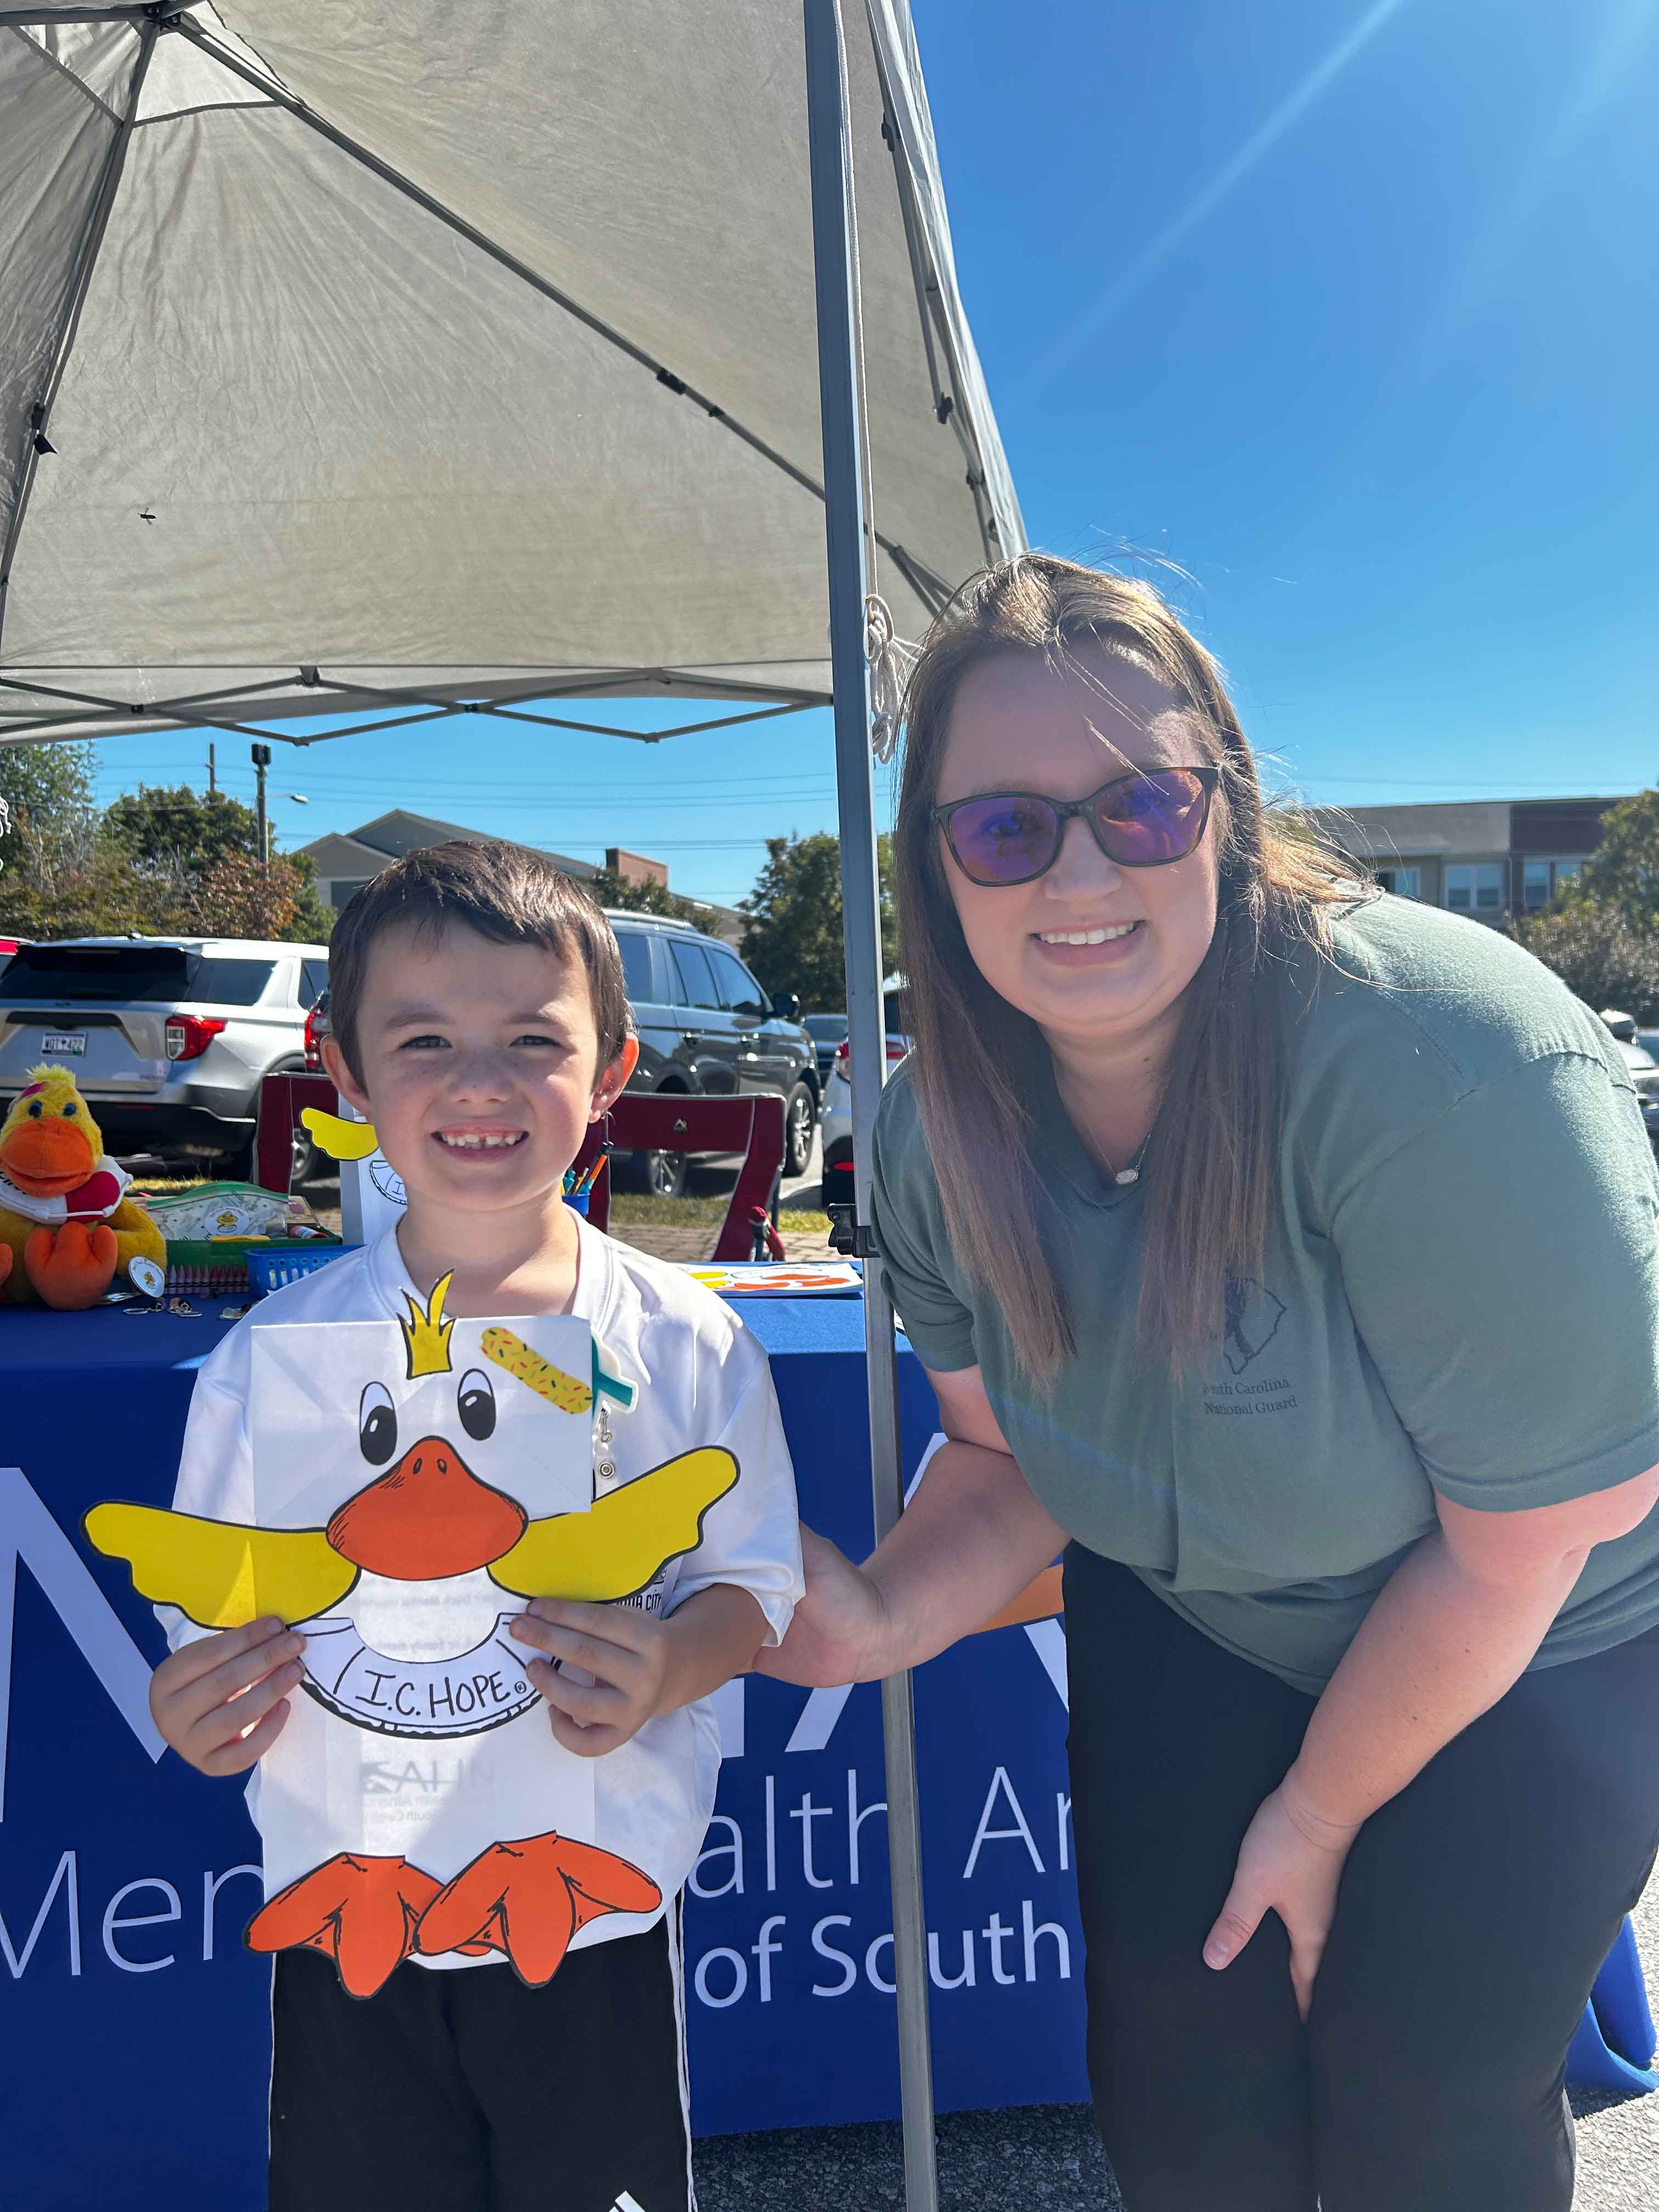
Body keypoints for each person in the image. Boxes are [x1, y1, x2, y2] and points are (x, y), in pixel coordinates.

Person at [761, 555, 1659, 2212]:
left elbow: (1524, 1547)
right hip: (1200, 1611)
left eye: (1143, 807)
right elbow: (1004, 1463)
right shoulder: (933, 1132)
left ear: (1226, 810)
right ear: (938, 869)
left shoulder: (1437, 1057)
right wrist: (885, 1615)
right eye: (1006, 827)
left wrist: (1314, 1821)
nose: (1080, 868)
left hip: (1542, 1639)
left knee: (1421, 2094)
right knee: (1181, 2095)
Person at [146, 840, 802, 2212]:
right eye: (427, 1038)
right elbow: (212, 1624)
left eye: (532, 1039)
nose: (482, 1084)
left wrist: (673, 1665)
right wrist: (200, 1700)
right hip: (350, 1920)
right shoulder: (275, 1359)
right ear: (348, 1070)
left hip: (596, 1919)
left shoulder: (688, 1338)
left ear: (611, 1072)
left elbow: (755, 1589)